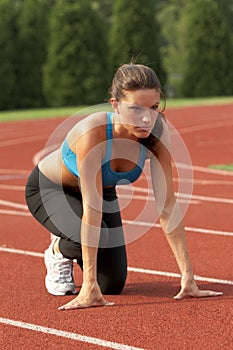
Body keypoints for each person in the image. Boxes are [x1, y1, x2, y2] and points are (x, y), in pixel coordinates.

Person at [25, 63, 222, 310]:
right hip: (50, 189)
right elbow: (92, 210)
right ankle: (58, 249)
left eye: (153, 108)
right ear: (115, 105)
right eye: (136, 109)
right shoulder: (93, 132)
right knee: (85, 237)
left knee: (112, 284)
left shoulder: (157, 133)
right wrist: (88, 287)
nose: (146, 118)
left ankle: (73, 244)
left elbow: (167, 206)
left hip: (101, 191)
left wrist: (188, 278)